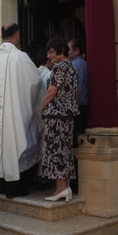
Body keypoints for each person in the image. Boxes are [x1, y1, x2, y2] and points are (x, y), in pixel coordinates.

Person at [0, 23, 42, 198]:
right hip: (12, 116)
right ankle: (15, 187)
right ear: (17, 35)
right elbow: (35, 82)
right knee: (14, 145)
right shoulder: (20, 57)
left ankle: (3, 185)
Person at [40, 38, 79, 202]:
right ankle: (66, 187)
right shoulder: (72, 67)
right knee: (65, 149)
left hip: (56, 114)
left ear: (61, 52)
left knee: (56, 150)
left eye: (51, 52)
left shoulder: (59, 68)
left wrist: (41, 107)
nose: (48, 56)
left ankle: (60, 188)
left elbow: (51, 90)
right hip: (68, 114)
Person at [68, 38, 88, 146]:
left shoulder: (78, 64)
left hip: (79, 108)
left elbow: (78, 89)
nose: (66, 53)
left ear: (76, 51)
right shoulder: (77, 63)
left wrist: (72, 108)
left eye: (69, 50)